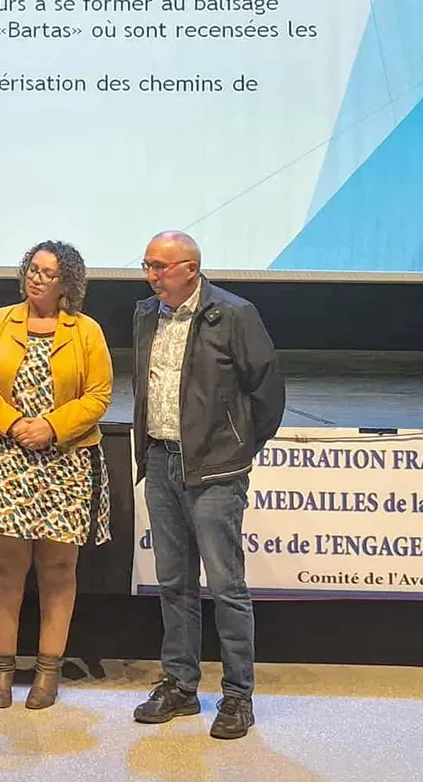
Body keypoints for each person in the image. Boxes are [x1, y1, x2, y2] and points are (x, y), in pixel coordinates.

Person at [131, 231, 285, 739]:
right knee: (174, 582)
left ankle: (238, 695)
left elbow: (267, 391)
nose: (151, 276)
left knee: (226, 585)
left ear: (190, 269)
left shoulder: (233, 314)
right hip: (161, 460)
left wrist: (237, 448)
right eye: (147, 265)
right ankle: (180, 685)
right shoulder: (146, 314)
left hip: (216, 470)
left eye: (160, 267)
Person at [0, 240, 114, 710]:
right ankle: (1, 670)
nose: (36, 277)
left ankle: (48, 671)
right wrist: (13, 424)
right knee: (6, 569)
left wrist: (52, 427)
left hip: (66, 460)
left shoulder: (86, 331)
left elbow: (99, 395)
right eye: (32, 268)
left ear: (67, 282)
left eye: (48, 273)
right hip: (4, 458)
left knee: (59, 569)